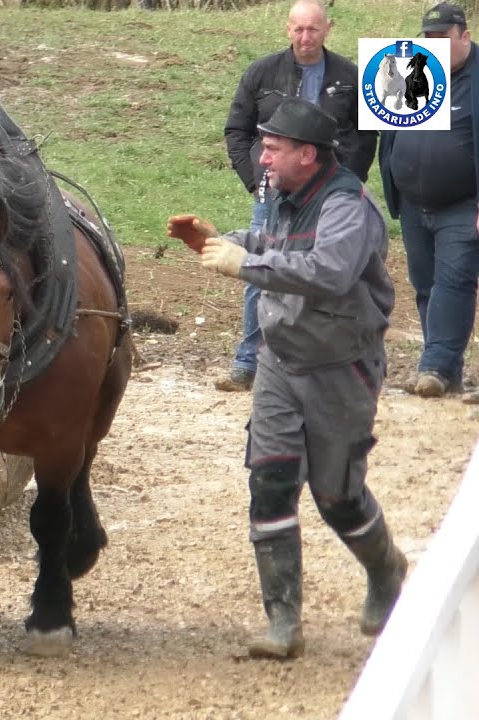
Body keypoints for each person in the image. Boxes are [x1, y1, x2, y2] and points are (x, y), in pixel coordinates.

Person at [169, 99, 408, 660]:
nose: (263, 157)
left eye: (273, 148)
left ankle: (386, 570)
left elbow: (328, 271)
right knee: (269, 479)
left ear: (307, 153)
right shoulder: (281, 194)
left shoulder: (349, 206)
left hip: (340, 368)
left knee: (337, 495)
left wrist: (241, 264)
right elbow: (275, 246)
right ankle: (283, 623)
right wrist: (217, 239)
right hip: (279, 363)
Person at [220, 0, 376, 392]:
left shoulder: (350, 75)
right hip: (273, 191)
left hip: (331, 193)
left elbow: (364, 133)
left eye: (314, 29)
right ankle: (249, 361)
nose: (305, 38)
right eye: (298, 29)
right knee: (260, 267)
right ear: (287, 29)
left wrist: (348, 181)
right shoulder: (261, 72)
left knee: (329, 268)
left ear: (329, 28)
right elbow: (237, 130)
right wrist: (256, 176)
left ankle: (322, 355)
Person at [381, 2, 479, 399]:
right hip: (411, 201)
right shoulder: (409, 68)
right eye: (429, 39)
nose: (434, 47)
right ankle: (446, 368)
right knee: (424, 284)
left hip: (463, 201)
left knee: (452, 280)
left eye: (442, 39)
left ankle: (435, 365)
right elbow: (389, 126)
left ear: (465, 35)